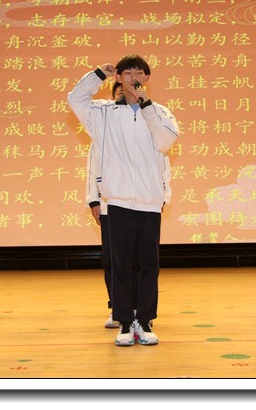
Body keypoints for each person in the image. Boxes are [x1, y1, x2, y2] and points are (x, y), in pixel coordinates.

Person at [68, 55, 179, 346]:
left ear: (147, 78)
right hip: (117, 201)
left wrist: (147, 108)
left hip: (149, 201)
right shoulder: (103, 114)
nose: (133, 78)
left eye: (139, 73)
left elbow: (165, 142)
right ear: (118, 78)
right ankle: (125, 323)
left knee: (148, 265)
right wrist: (97, 75)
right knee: (121, 265)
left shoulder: (160, 112)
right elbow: (75, 98)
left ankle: (145, 320)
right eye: (127, 73)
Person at [85, 82, 125, 329]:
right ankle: (117, 308)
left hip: (138, 205)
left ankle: (138, 309)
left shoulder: (147, 122)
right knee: (111, 260)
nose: (124, 96)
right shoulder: (102, 130)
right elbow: (93, 168)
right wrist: (93, 200)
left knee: (136, 260)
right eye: (119, 93)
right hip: (109, 206)